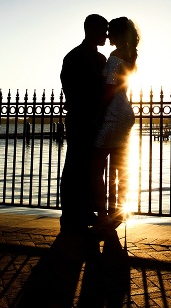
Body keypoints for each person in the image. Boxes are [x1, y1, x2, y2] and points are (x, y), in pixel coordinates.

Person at [59, 14, 109, 232]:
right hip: (81, 120)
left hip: (96, 120)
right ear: (91, 30)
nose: (106, 35)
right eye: (103, 30)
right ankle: (70, 214)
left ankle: (88, 210)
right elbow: (71, 88)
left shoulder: (101, 59)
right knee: (75, 166)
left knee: (93, 168)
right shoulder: (75, 57)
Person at [92, 17, 139, 227]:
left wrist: (98, 112)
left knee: (96, 166)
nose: (108, 35)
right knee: (120, 165)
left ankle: (102, 214)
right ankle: (119, 210)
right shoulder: (130, 55)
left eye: (111, 31)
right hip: (126, 112)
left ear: (118, 34)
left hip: (114, 113)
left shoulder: (113, 57)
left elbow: (109, 89)